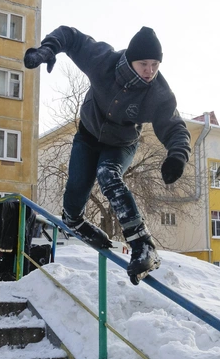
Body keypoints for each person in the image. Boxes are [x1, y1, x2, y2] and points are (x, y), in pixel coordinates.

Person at [24, 26, 191, 283]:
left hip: (121, 145)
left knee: (107, 174)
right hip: (88, 135)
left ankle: (143, 245)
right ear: (130, 59)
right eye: (144, 64)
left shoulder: (158, 93)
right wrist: (49, 48)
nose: (150, 71)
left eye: (155, 64)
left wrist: (177, 155)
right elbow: (72, 37)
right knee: (75, 191)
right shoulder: (103, 60)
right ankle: (76, 221)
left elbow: (174, 126)